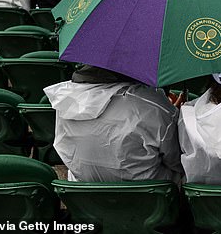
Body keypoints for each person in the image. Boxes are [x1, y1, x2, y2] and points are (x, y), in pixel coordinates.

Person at [45, 65, 184, 182]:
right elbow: (177, 161)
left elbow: (65, 150)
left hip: (86, 201)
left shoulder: (65, 101)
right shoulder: (154, 108)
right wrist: (175, 119)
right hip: (147, 204)